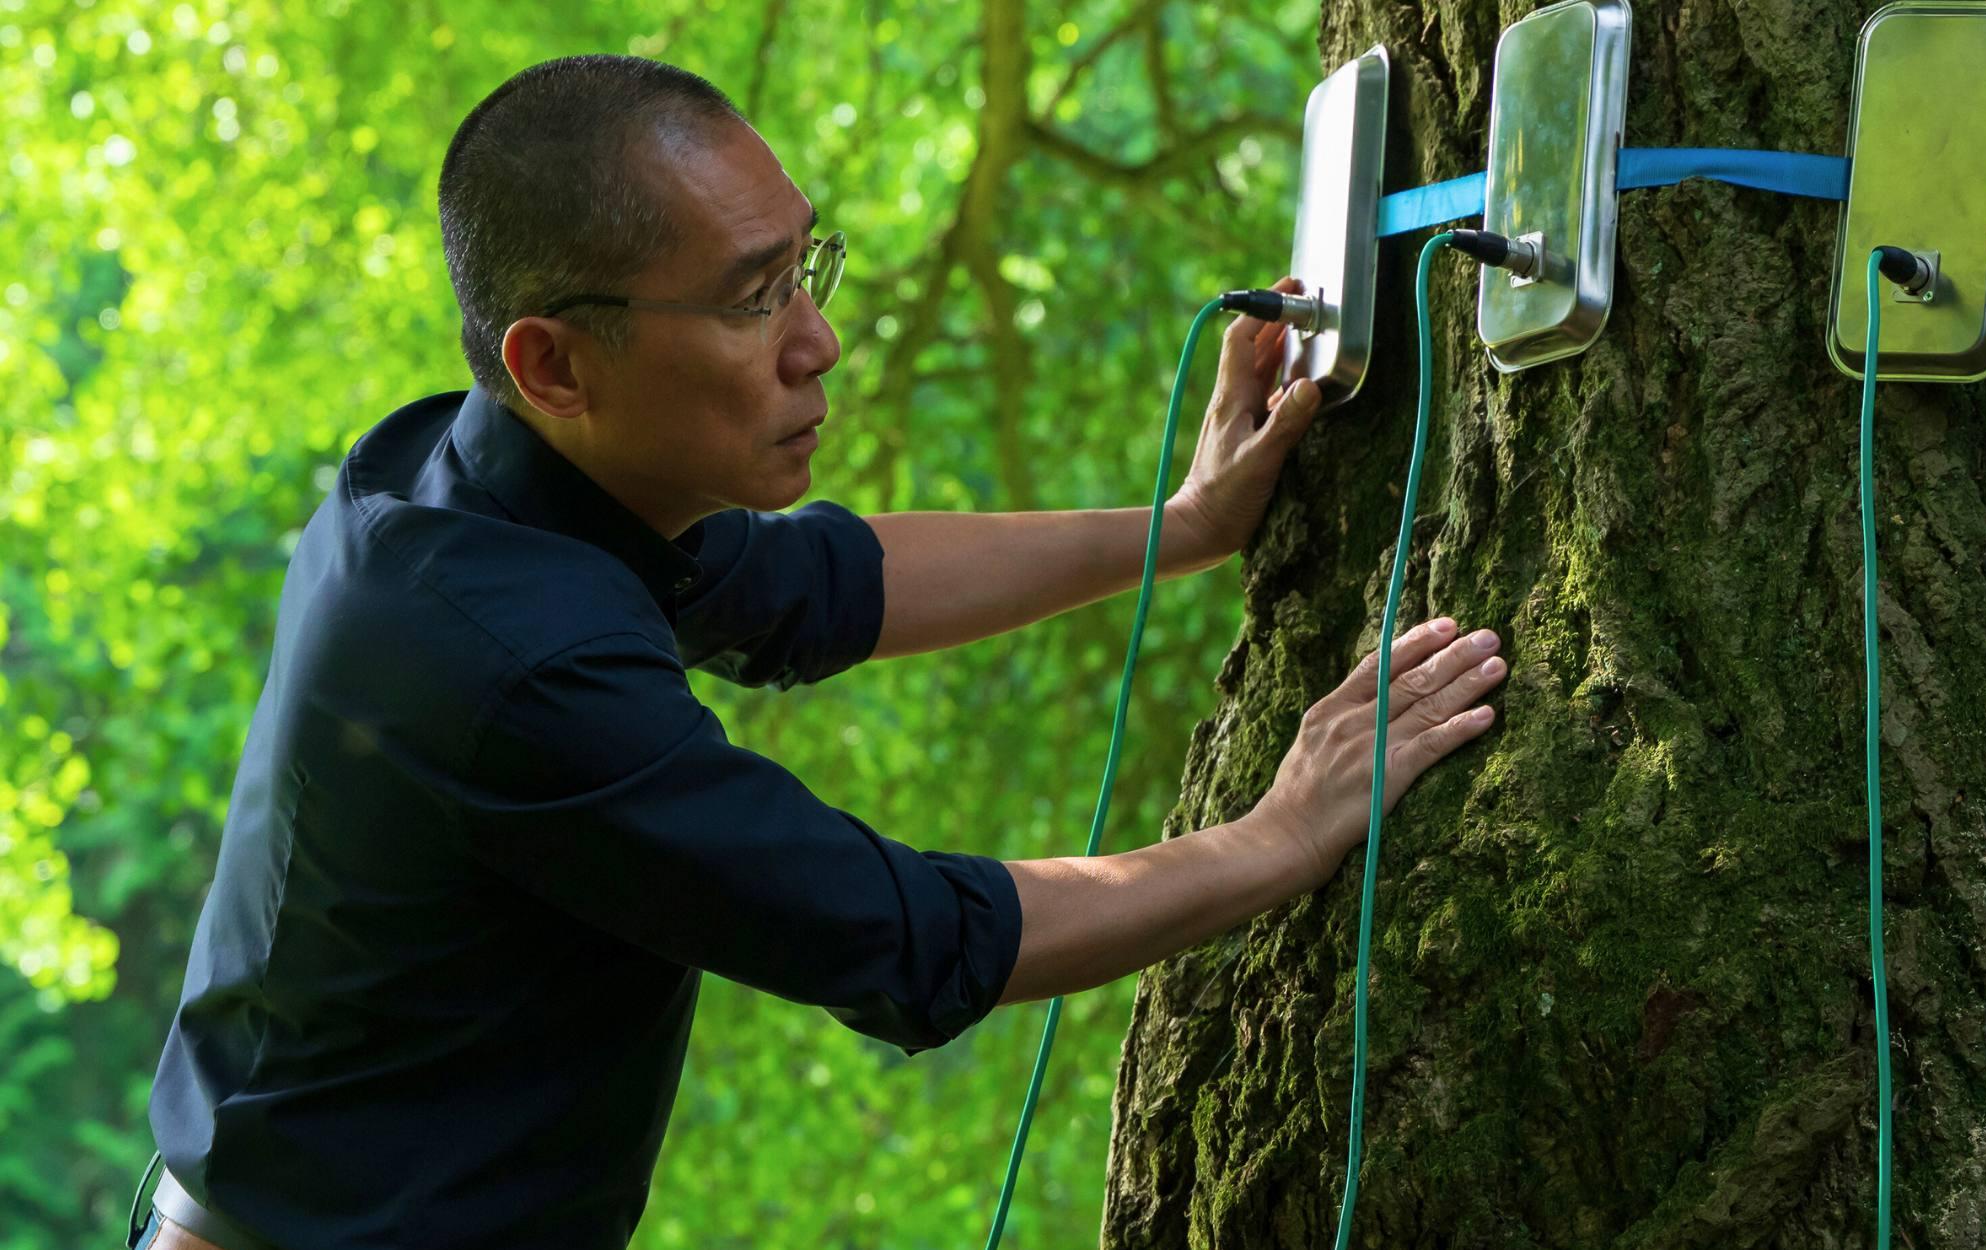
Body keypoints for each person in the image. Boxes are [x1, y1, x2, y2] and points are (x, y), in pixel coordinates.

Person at [127, 53, 1507, 1250]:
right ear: (555, 364)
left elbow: (824, 582)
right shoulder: (505, 662)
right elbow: (898, 932)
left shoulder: (494, 477)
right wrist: (1278, 836)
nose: (820, 340)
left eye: (805, 267)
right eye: (749, 301)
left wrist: (1185, 526)